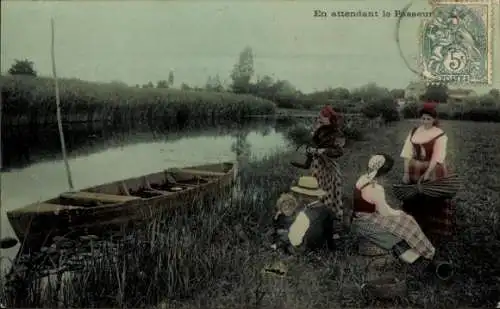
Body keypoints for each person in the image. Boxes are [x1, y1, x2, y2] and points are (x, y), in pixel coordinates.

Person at [351, 154, 452, 279]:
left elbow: (373, 205)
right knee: (407, 221)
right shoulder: (375, 188)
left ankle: (421, 251)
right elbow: (385, 212)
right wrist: (398, 213)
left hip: (360, 214)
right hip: (368, 218)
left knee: (404, 221)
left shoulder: (362, 179)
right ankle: (428, 252)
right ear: (383, 173)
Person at [399, 102, 455, 246]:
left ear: (434, 120)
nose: (425, 122)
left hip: (434, 169)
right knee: (413, 196)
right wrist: (406, 172)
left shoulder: (440, 134)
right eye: (423, 119)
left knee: (431, 197)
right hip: (415, 169)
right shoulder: (414, 132)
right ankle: (414, 225)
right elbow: (407, 153)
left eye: (428, 119)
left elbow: (437, 156)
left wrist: (428, 173)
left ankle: (433, 228)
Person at [290, 105, 345, 237]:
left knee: (329, 197)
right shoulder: (317, 131)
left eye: (323, 119)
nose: (320, 121)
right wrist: (308, 152)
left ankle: (333, 230)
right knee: (314, 195)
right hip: (316, 167)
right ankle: (316, 226)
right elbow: (310, 146)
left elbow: (339, 151)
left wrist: (323, 151)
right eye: (319, 119)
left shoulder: (336, 133)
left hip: (328, 169)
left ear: (330, 119)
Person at [272, 176, 336, 253]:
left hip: (306, 249)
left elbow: (295, 240)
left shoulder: (304, 214)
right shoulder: (327, 210)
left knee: (283, 234)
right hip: (321, 246)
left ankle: (277, 246)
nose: (299, 196)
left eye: (299, 194)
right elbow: (329, 234)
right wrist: (331, 248)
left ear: (305, 195)